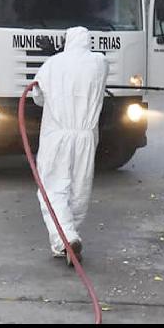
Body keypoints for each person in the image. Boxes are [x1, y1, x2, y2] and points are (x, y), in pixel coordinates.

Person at [31, 27, 108, 266]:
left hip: (58, 137)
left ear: (66, 41)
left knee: (53, 190)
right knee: (78, 190)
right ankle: (64, 243)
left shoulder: (51, 65)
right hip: (85, 137)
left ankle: (67, 237)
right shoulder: (100, 63)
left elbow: (37, 97)